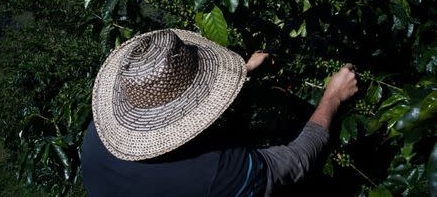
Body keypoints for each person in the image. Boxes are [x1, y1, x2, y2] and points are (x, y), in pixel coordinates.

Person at [81, 29, 358, 196]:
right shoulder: (217, 172)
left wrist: (242, 75)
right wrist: (333, 97)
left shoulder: (96, 136)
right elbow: (293, 163)